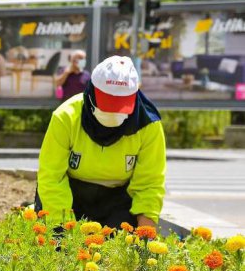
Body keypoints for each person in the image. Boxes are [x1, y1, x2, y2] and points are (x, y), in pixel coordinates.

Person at [36, 56, 165, 229]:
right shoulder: (65, 117)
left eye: (120, 105)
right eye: (107, 102)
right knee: (59, 247)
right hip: (70, 196)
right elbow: (52, 176)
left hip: (118, 201)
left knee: (119, 250)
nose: (113, 111)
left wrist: (146, 238)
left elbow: (150, 184)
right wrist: (61, 232)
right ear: (91, 92)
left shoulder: (149, 125)